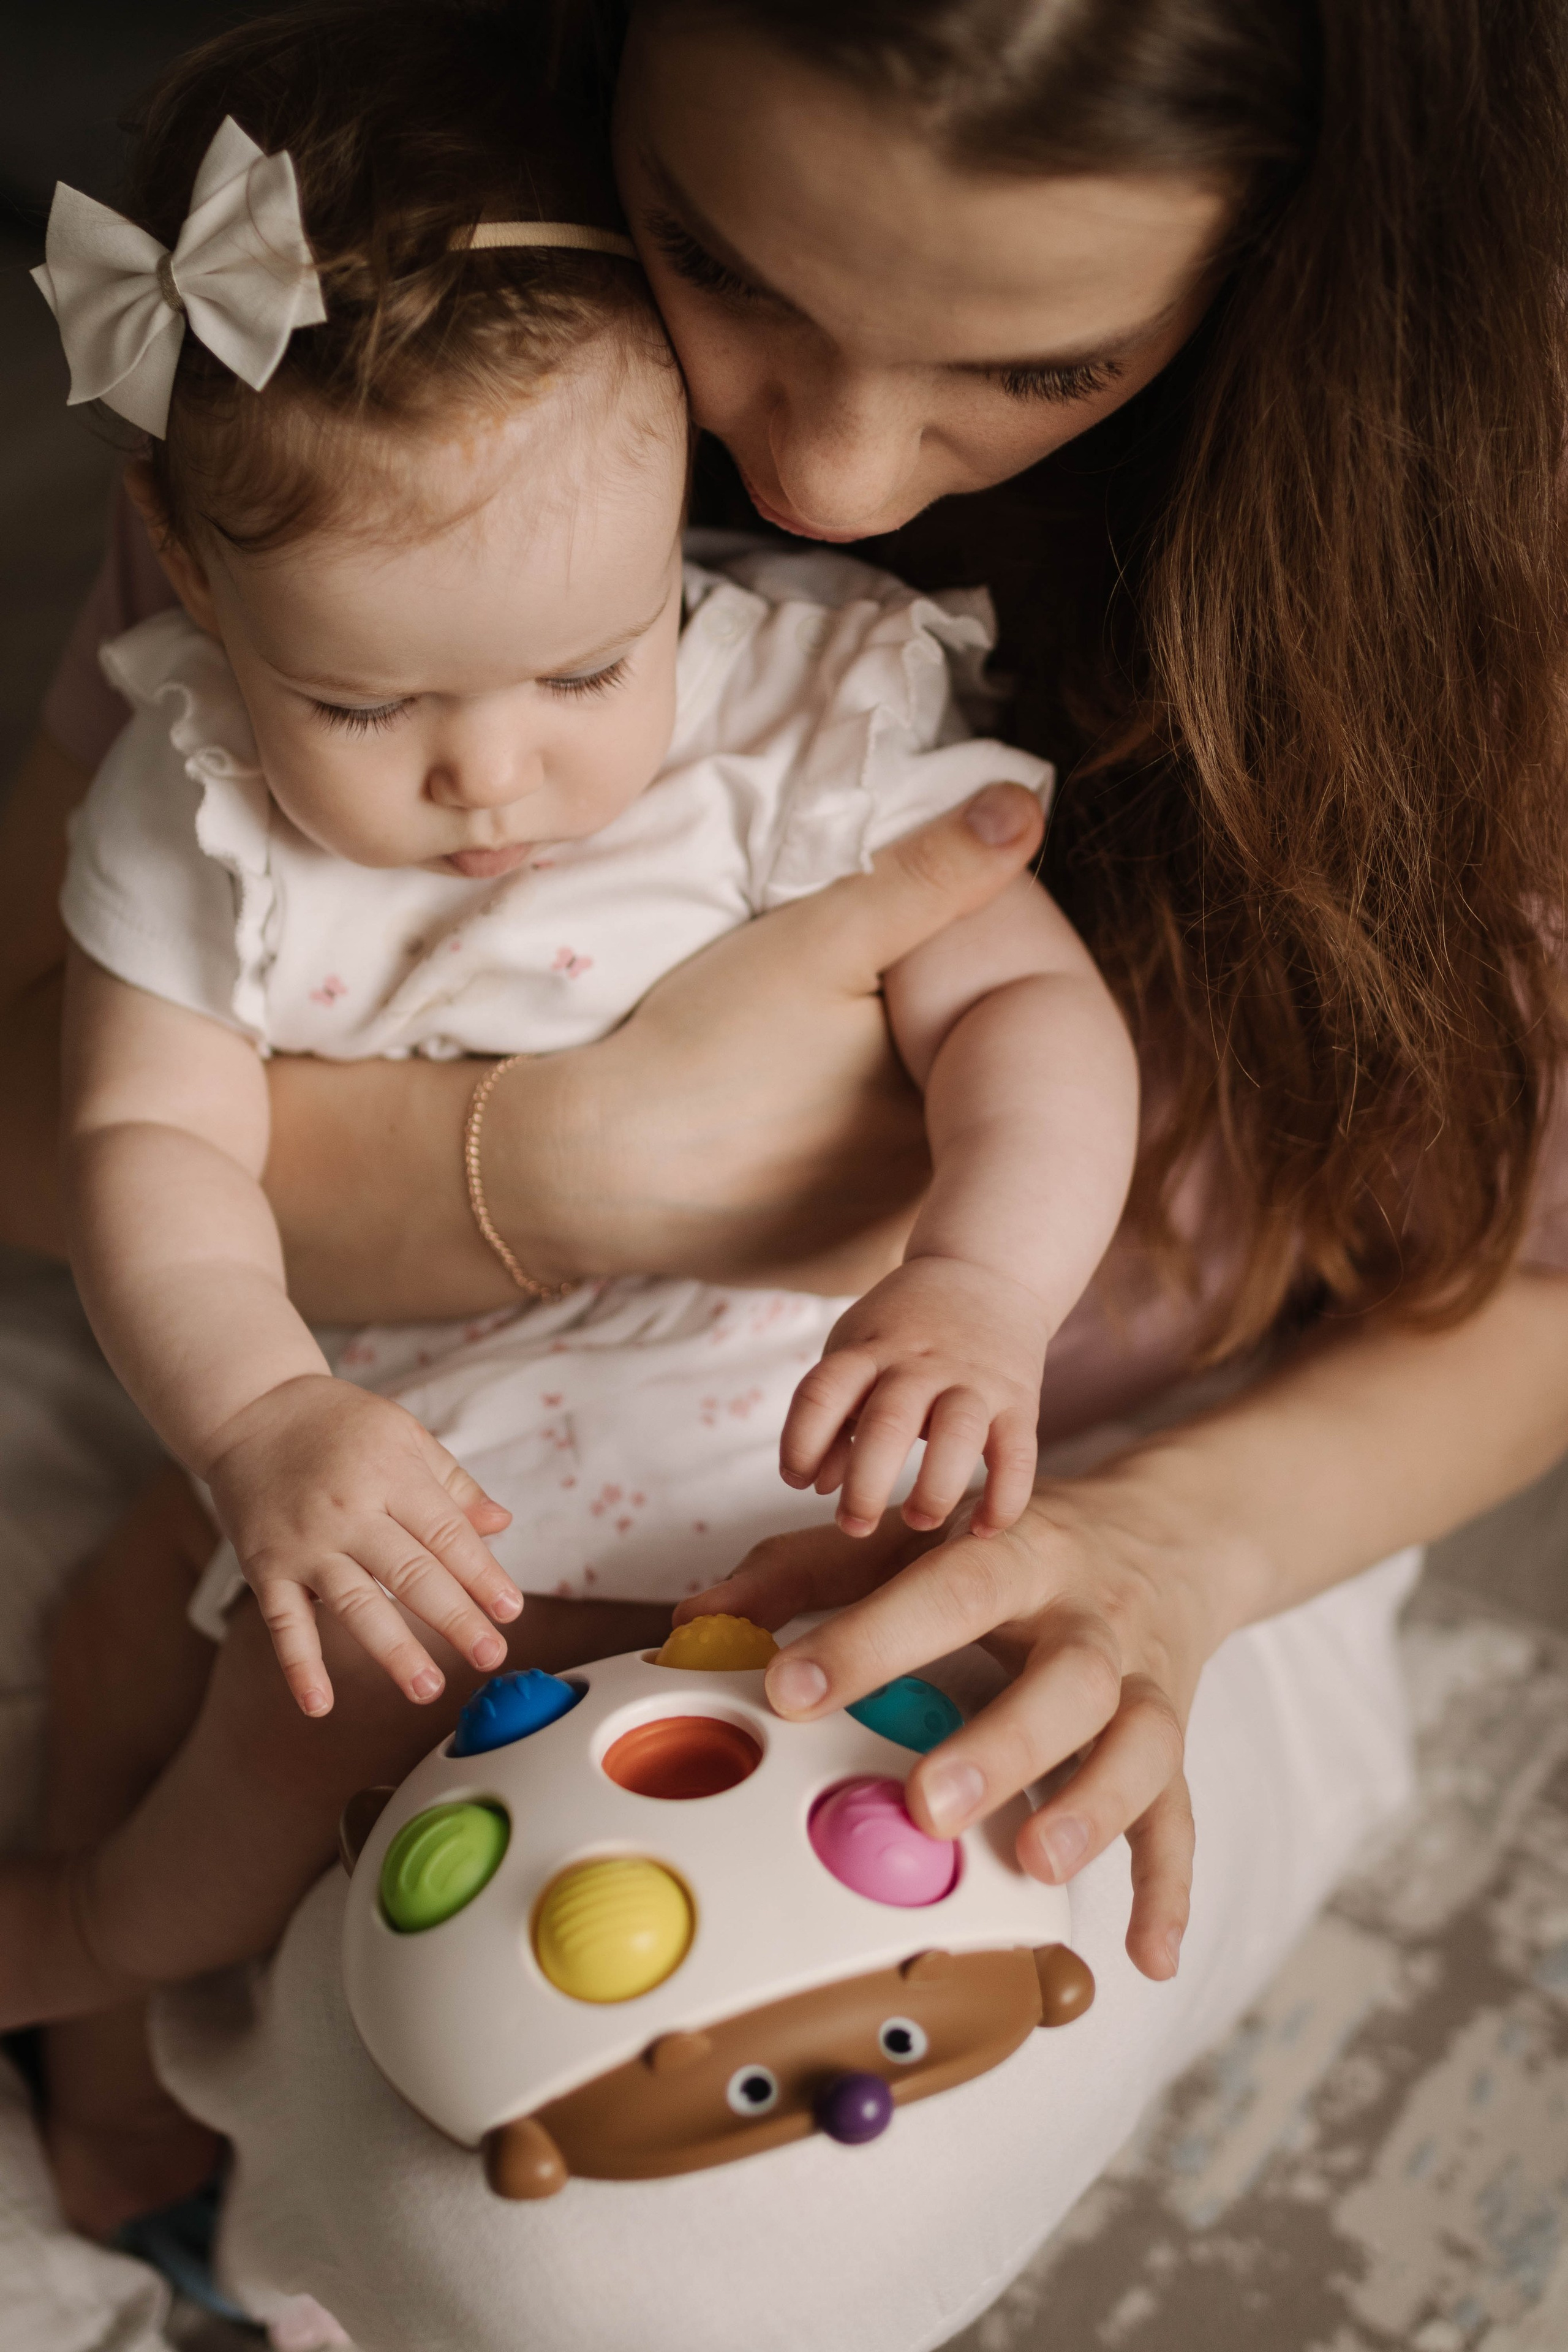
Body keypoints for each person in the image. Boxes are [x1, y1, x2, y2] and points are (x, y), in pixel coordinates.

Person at [1, 0, 1564, 2342]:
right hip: (415, 1391)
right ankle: (125, 2041)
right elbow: (88, 1116)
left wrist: (1078, 1433)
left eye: (1034, 365)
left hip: (1058, 1462)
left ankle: (199, 2013)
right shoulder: (376, 435)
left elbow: (1133, 1080)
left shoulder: (822, 705)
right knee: (158, 1673)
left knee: (603, 2194)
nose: (826, 483)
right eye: (721, 262)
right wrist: (520, 1187)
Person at [2, 0, 1138, 2034]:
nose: (489, 776)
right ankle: (103, 2043)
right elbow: (143, 1144)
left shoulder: (795, 726)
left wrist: (982, 1286)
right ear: (191, 573)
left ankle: (161, 1970)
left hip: (765, 1424)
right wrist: (257, 1419)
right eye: (362, 702)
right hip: (381, 1425)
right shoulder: (194, 804)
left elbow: (1030, 1019)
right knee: (178, 1725)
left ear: (673, 510)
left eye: (588, 670)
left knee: (400, 1770)